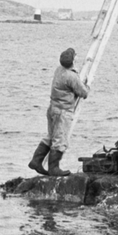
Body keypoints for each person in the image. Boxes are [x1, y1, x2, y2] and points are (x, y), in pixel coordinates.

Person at [28, 47, 88, 177]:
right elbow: (83, 93)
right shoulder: (71, 76)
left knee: (51, 136)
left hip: (53, 109)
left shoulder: (59, 70)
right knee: (60, 140)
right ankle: (54, 168)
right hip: (63, 112)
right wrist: (86, 86)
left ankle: (36, 161)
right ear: (73, 60)